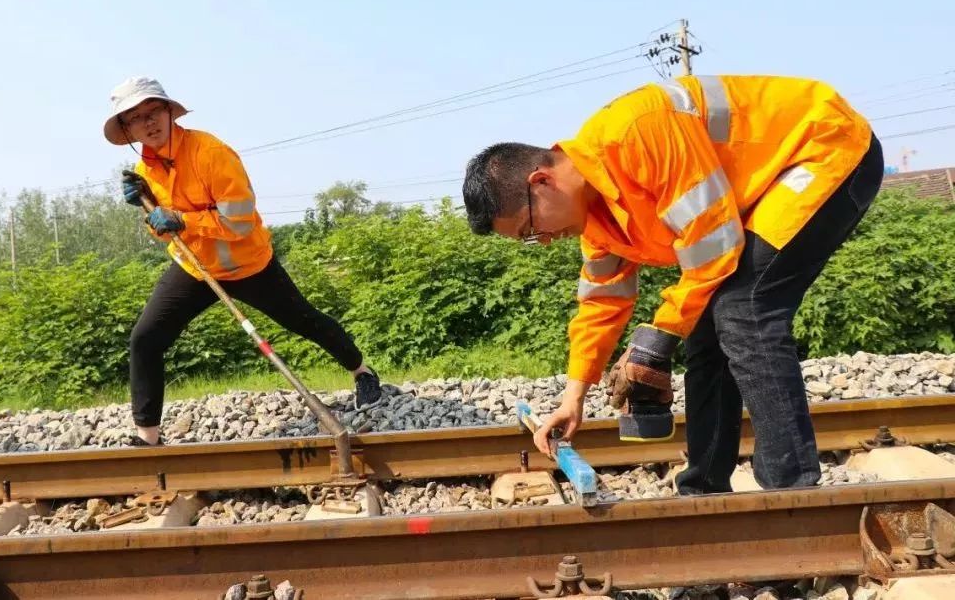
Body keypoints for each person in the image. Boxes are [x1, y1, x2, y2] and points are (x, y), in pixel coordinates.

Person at [461, 74, 883, 494]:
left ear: (541, 182)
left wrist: (655, 340)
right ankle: (703, 488)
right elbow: (601, 305)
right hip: (764, 188)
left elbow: (713, 246)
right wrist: (574, 398)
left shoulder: (639, 133)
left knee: (743, 310)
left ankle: (792, 492)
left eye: (530, 230)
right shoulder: (596, 219)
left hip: (824, 148)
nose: (544, 241)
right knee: (705, 327)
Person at [103, 76, 382, 446]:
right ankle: (148, 438)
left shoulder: (211, 152)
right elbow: (164, 230)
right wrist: (150, 210)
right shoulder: (145, 173)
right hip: (194, 268)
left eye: (154, 111)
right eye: (136, 118)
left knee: (305, 321)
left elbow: (240, 220)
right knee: (146, 339)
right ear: (128, 129)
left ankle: (362, 372)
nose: (149, 122)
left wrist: (183, 219)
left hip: (249, 264)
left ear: (170, 112)